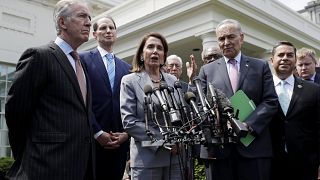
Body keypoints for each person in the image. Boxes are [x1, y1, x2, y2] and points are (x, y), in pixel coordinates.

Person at [5, 0, 94, 179]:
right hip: (44, 167)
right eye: (82, 16)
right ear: (62, 22)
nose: (89, 22)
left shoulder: (81, 64)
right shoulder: (39, 56)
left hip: (79, 168)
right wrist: (30, 156)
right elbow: (16, 113)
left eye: (90, 17)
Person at [189, 19, 278, 180]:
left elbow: (270, 101)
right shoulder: (206, 70)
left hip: (254, 148)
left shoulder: (261, 66)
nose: (226, 42)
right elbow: (201, 105)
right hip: (220, 150)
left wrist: (248, 125)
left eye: (231, 37)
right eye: (221, 39)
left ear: (241, 38)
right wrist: (215, 122)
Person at [120, 32, 182, 180]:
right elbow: (129, 121)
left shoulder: (172, 80)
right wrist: (165, 141)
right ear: (142, 54)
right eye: (150, 47)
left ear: (163, 56)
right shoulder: (129, 81)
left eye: (159, 48)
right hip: (146, 159)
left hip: (176, 158)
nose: (155, 51)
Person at [80, 16, 130, 180]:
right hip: (91, 141)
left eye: (111, 28)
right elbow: (81, 98)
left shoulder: (127, 68)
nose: (108, 31)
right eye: (103, 28)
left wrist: (125, 134)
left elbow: (129, 105)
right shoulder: (83, 59)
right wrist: (97, 132)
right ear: (94, 34)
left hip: (119, 142)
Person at [269, 41, 320, 180]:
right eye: (280, 55)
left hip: (306, 164)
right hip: (270, 165)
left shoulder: (314, 90)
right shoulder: (261, 89)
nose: (285, 58)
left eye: (290, 55)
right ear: (272, 60)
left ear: (295, 60)